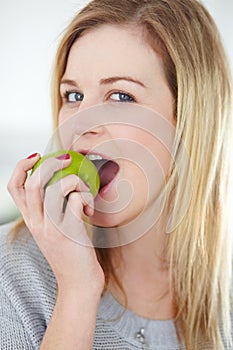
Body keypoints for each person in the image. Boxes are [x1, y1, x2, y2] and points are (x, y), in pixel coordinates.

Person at [0, 0, 232, 349]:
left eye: (121, 95)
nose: (81, 123)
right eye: (73, 95)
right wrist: (77, 291)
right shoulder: (11, 273)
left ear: (188, 121)